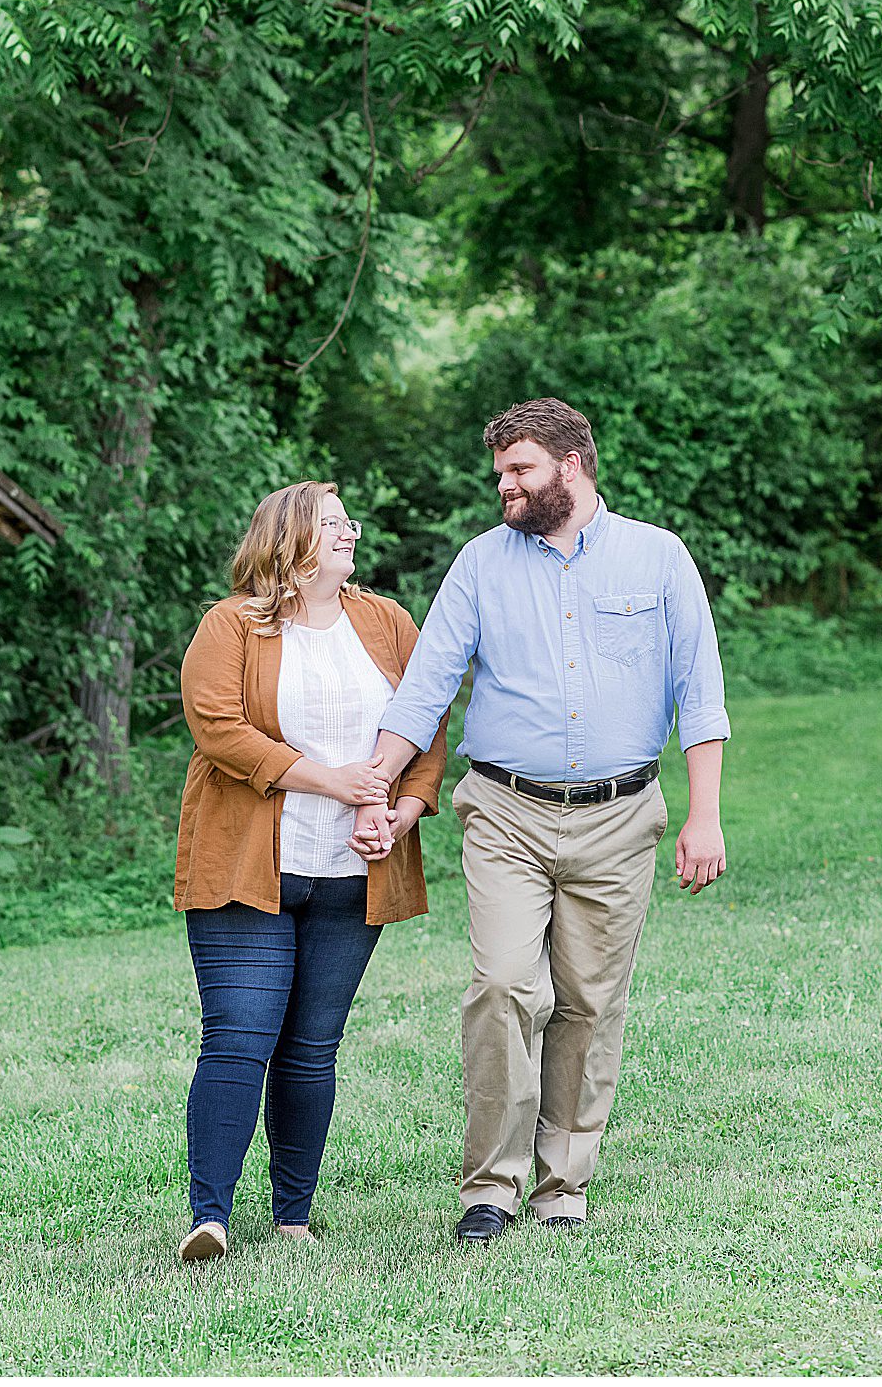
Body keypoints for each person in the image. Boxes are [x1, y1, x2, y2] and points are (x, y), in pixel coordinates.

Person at [356, 396, 729, 1242]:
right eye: (500, 474)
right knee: (502, 988)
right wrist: (378, 779)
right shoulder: (482, 564)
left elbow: (699, 692)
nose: (505, 488)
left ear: (573, 465)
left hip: (620, 816)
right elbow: (426, 684)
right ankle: (490, 1184)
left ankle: (563, 1183)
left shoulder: (658, 559)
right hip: (506, 813)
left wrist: (703, 815)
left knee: (589, 1003)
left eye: (519, 470)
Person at [171, 481, 448, 1261]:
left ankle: (292, 1216)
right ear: (289, 539)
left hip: (352, 873)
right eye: (333, 524)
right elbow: (218, 728)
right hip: (247, 867)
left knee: (311, 1047)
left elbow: (426, 717)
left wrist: (407, 807)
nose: (349, 534)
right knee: (238, 1036)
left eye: (348, 523)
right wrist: (333, 781)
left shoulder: (385, 620)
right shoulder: (232, 625)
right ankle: (211, 1218)